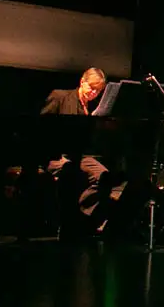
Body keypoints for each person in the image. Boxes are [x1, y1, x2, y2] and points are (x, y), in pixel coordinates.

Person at [39, 67, 116, 233]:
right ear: (82, 81)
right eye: (91, 87)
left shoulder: (89, 109)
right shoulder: (61, 96)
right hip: (57, 155)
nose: (93, 93)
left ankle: (84, 217)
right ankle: (75, 220)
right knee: (72, 173)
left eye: (98, 91)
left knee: (105, 176)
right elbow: (42, 128)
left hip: (79, 155)